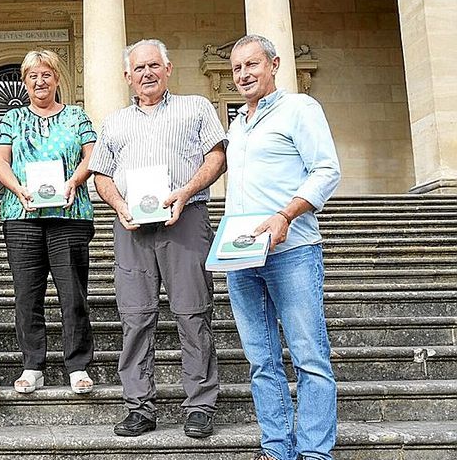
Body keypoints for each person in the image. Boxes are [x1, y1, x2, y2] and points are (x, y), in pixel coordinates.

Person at [88, 39, 226, 438]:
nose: (146, 73)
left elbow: (216, 156)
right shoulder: (114, 122)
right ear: (127, 77)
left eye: (153, 66)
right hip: (132, 228)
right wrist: (118, 205)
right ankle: (138, 407)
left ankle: (200, 404)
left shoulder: (196, 107)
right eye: (138, 68)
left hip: (185, 220)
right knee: (134, 318)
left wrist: (185, 192)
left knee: (193, 313)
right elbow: (102, 175)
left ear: (167, 69)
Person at [225, 34, 340, 460]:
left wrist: (285, 215)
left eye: (252, 65)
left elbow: (327, 170)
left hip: (292, 250)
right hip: (242, 255)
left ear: (274, 64)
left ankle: (313, 453)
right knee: (261, 360)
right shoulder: (237, 123)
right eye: (237, 68)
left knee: (310, 357)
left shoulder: (300, 109)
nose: (243, 74)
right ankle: (276, 448)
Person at [0, 50, 96, 395]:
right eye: (33, 76)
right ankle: (32, 364)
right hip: (23, 215)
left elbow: (91, 155)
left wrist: (73, 182)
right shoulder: (11, 119)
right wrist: (18, 189)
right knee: (27, 295)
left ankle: (78, 366)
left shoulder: (77, 116)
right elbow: (0, 164)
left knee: (73, 294)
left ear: (57, 79)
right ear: (24, 82)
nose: (40, 81)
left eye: (47, 75)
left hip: (69, 214)